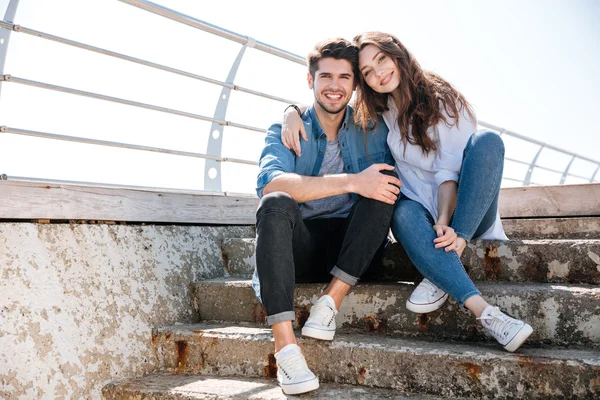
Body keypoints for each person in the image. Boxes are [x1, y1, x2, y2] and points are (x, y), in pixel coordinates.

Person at [282, 31, 533, 353]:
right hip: (420, 218)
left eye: (381, 60)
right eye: (368, 72)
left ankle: (450, 260)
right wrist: (291, 112)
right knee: (397, 206)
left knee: (487, 142)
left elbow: (448, 174)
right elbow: (332, 101)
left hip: (467, 210)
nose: (378, 74)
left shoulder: (443, 99)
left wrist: (450, 224)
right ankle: (489, 315)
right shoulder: (377, 112)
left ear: (397, 55)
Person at [253, 37, 401, 395]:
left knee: (383, 186)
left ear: (355, 84)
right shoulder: (287, 129)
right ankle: (286, 347)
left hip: (352, 249)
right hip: (300, 247)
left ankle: (329, 302)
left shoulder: (372, 128)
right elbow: (272, 185)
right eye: (326, 77)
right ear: (310, 81)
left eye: (345, 78)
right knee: (274, 204)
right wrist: (353, 181)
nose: (335, 86)